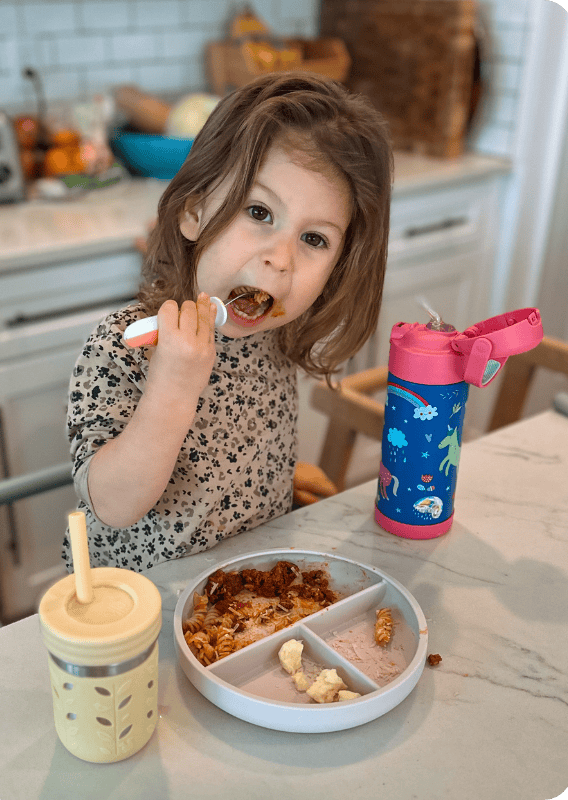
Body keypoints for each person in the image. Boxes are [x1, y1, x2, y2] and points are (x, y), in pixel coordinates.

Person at [63, 71, 393, 573]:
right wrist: (173, 385)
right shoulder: (121, 347)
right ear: (194, 211)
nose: (280, 260)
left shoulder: (275, 337)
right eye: (259, 212)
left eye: (314, 239)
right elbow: (112, 507)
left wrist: (281, 484)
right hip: (144, 612)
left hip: (247, 595)